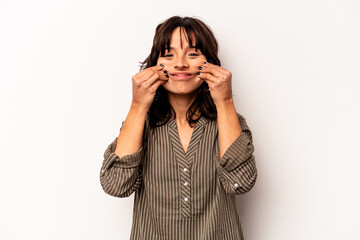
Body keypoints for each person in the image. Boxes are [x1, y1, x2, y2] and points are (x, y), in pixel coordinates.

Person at [99, 16, 257, 240]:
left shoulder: (229, 120)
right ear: (155, 64)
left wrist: (225, 101)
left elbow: (241, 182)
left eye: (193, 54)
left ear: (210, 63)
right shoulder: (141, 123)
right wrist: (137, 105)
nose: (181, 63)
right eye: (168, 54)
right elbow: (116, 185)